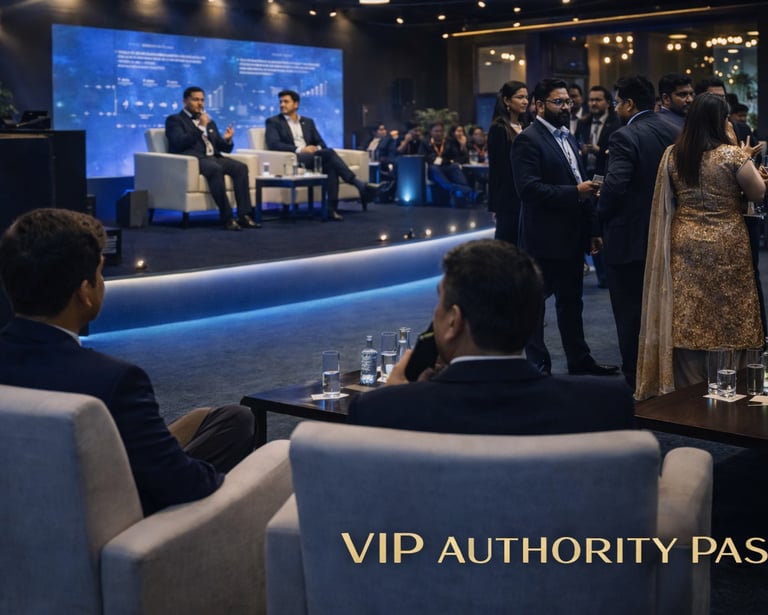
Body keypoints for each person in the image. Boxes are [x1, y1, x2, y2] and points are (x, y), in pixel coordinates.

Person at [0, 208, 256, 515]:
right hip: (120, 516)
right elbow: (189, 485)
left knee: (234, 418)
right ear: (85, 293)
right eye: (100, 273)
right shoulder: (114, 381)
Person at [347, 239, 634, 434]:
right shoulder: (606, 404)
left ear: (453, 321)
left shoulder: (382, 411)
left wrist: (397, 395)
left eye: (439, 301)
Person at [635, 93, 768, 399]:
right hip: (726, 239)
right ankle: (730, 374)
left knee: (689, 305)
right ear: (719, 120)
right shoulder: (732, 155)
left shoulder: (673, 154)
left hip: (685, 238)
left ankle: (687, 381)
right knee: (729, 304)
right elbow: (757, 193)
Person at [512, 78, 618, 377]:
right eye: (558, 102)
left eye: (568, 101)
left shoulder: (568, 137)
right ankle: (538, 365)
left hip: (572, 235)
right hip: (543, 238)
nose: (566, 107)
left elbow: (581, 181)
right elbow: (528, 190)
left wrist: (593, 229)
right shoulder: (528, 139)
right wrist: (575, 193)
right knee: (535, 306)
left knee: (572, 303)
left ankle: (579, 360)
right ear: (539, 105)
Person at [597, 75, 679, 388]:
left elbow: (615, 186)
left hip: (628, 238)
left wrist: (599, 214)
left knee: (629, 312)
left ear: (629, 104)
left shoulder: (624, 135)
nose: (615, 108)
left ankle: (636, 380)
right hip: (669, 232)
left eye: (617, 102)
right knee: (664, 310)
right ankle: (663, 375)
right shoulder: (675, 130)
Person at [264, 89, 374, 222]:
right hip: (294, 158)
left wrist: (316, 148)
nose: (282, 105)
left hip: (313, 157)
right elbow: (274, 144)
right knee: (330, 154)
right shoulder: (273, 122)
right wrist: (301, 149)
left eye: (286, 102)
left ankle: (331, 209)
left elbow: (321, 143)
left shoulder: (308, 122)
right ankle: (358, 184)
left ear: (296, 104)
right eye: (281, 102)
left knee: (331, 166)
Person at [165, 86, 258, 231]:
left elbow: (221, 147)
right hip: (194, 159)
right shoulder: (174, 120)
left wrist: (228, 140)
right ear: (185, 102)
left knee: (241, 168)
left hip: (213, 157)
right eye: (196, 100)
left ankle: (244, 215)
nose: (200, 103)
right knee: (215, 169)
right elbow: (179, 143)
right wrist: (201, 127)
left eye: (202, 100)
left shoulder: (209, 121)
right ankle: (227, 218)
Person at [575, 85, 621, 289]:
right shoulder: (583, 123)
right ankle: (599, 273)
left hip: (607, 178)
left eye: (598, 100)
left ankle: (609, 275)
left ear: (607, 102)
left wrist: (599, 150)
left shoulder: (616, 122)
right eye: (591, 100)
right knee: (590, 226)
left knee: (605, 228)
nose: (593, 103)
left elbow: (617, 151)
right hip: (586, 178)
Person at [487, 80, 529, 244]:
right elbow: (496, 169)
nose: (525, 101)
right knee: (506, 245)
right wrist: (495, 205)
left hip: (526, 191)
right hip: (508, 195)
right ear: (506, 100)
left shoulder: (526, 125)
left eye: (526, 97)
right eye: (520, 97)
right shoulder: (499, 128)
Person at [418, 120, 473, 205]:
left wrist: (462, 145)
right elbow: (425, 157)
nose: (439, 133)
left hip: (447, 166)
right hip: (433, 169)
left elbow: (456, 156)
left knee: (455, 166)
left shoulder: (448, 142)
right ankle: (466, 191)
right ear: (431, 132)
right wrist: (440, 160)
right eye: (436, 131)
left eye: (441, 131)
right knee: (433, 168)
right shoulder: (425, 143)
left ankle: (462, 190)